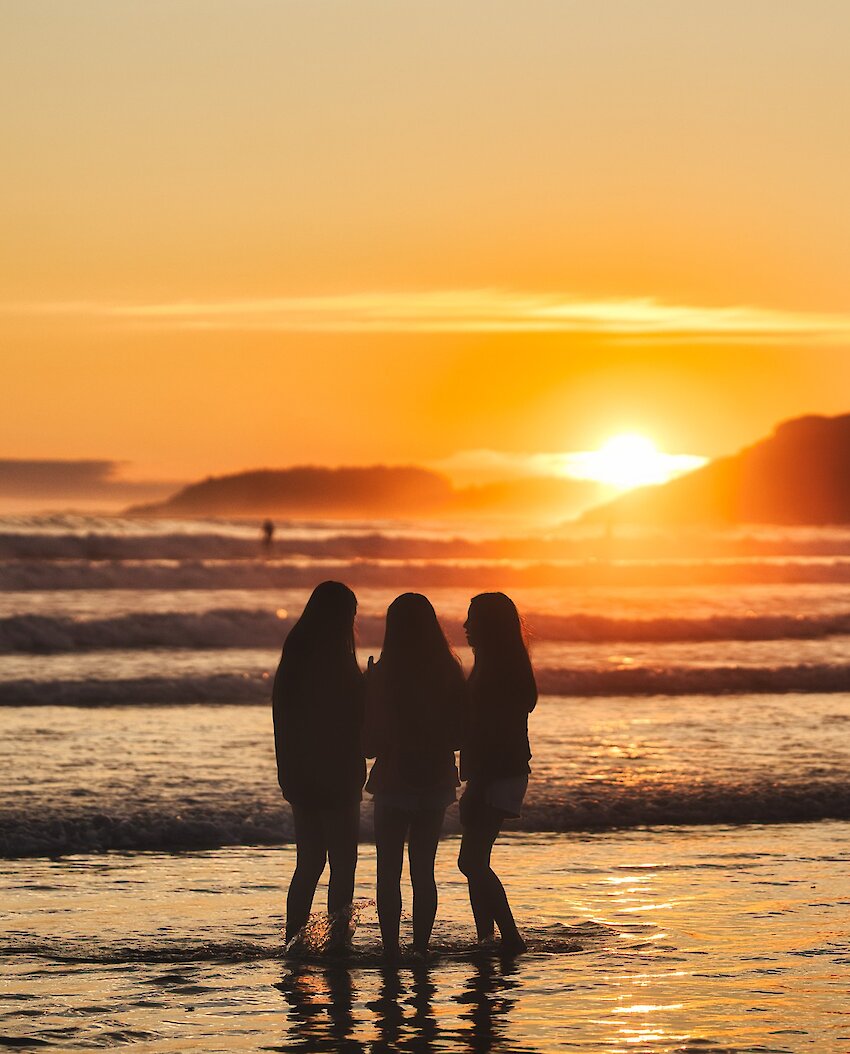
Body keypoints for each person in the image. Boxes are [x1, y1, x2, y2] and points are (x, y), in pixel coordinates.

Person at [364, 593, 466, 961]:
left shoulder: (385, 672)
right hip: (436, 780)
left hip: (393, 780)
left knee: (388, 870)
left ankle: (391, 950)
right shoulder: (449, 669)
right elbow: (458, 735)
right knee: (424, 870)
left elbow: (370, 744)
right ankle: (420, 948)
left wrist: (370, 688)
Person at [271, 581, 365, 949]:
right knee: (343, 864)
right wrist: (367, 686)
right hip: (338, 772)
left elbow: (284, 717)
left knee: (308, 863)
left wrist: (287, 770)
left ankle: (294, 941)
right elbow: (350, 717)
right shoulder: (338, 660)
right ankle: (337, 944)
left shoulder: (296, 650)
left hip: (302, 772)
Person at [457, 592, 537, 955]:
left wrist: (478, 787)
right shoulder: (501, 661)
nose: (465, 625)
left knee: (470, 861)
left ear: (488, 624)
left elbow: (495, 734)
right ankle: (486, 939)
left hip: (498, 773)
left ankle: (509, 938)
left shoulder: (497, 669)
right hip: (502, 770)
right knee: (477, 861)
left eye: (472, 619)